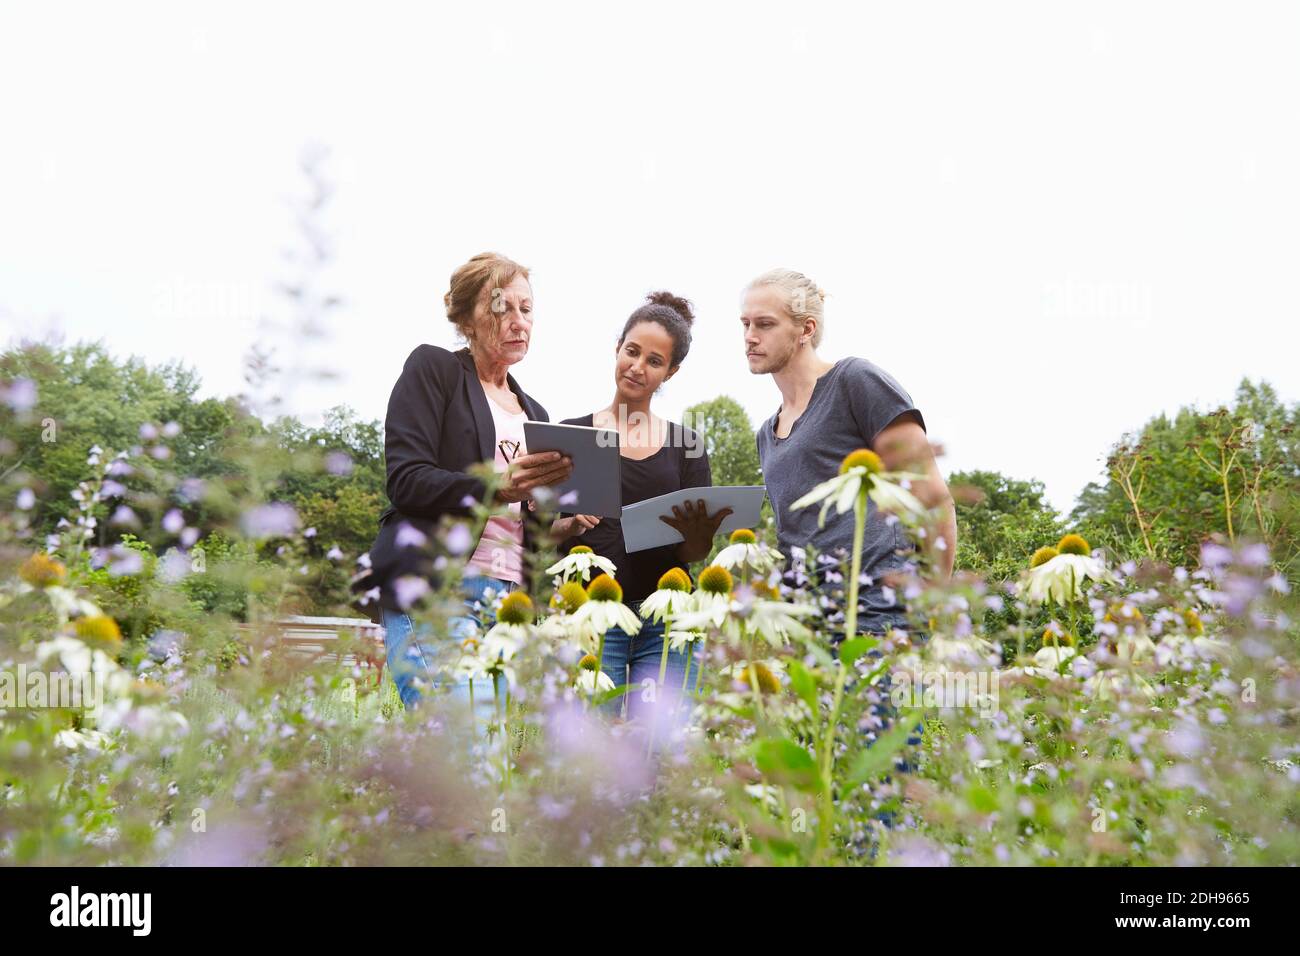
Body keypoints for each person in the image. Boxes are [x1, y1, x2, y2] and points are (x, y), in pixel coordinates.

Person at [366, 252, 574, 710]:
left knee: (490, 756)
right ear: (466, 319)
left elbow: (525, 527)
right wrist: (497, 486)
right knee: (467, 734)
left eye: (527, 308)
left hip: (509, 604)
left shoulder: (537, 414)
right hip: (438, 586)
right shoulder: (434, 369)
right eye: (502, 307)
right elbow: (407, 480)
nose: (518, 321)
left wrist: (557, 523)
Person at [742, 269, 956, 636]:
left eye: (765, 324)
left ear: (806, 330)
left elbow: (933, 498)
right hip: (808, 627)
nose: (749, 337)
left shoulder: (855, 381)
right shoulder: (766, 434)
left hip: (880, 614)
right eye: (745, 324)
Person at [555, 291, 730, 725]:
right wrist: (569, 527)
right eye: (632, 351)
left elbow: (694, 555)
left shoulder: (686, 446)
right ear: (617, 348)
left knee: (659, 747)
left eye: (654, 360)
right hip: (592, 618)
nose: (637, 366)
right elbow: (538, 533)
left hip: (667, 622)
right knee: (589, 749)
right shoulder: (567, 435)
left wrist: (696, 538)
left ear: (671, 371)